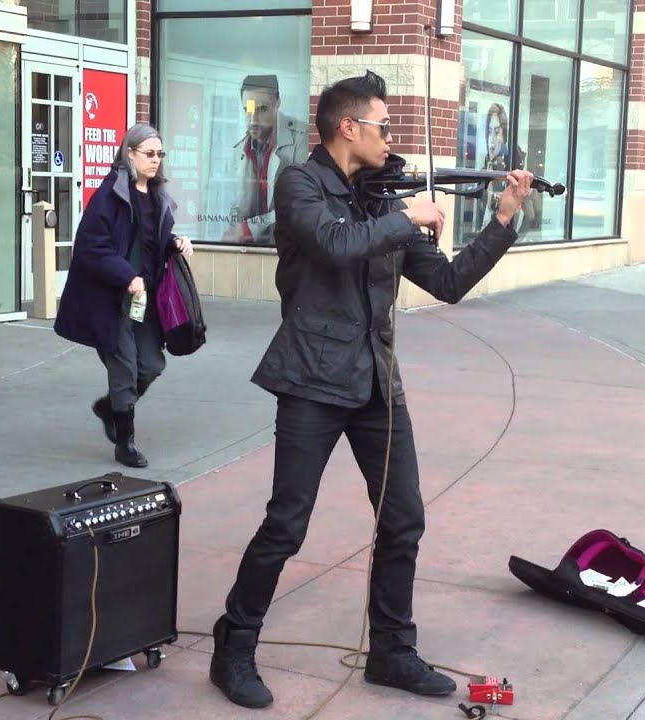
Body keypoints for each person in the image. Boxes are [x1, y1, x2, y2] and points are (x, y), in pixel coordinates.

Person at [209, 70, 536, 709]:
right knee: (286, 524)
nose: (392, 139)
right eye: (384, 127)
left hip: (377, 382)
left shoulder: (383, 196)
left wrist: (500, 221)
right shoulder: (300, 183)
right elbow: (334, 246)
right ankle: (234, 645)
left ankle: (391, 651)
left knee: (403, 519)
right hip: (310, 378)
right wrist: (406, 216)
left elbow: (445, 281)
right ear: (347, 127)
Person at [54, 123, 194, 468]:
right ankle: (125, 442)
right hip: (110, 300)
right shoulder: (109, 196)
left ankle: (108, 409)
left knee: (151, 365)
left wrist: (175, 242)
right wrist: (125, 275)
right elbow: (90, 248)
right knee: (124, 368)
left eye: (160, 154)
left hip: (144, 301)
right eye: (149, 153)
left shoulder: (158, 195)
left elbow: (151, 241)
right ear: (129, 153)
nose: (156, 160)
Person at [221, 75, 308, 245]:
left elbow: (300, 203)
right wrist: (234, 232)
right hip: (250, 250)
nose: (253, 119)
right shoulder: (240, 150)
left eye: (262, 109)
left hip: (289, 248)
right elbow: (236, 204)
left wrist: (247, 229)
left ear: (277, 104)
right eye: (248, 109)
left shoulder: (300, 141)